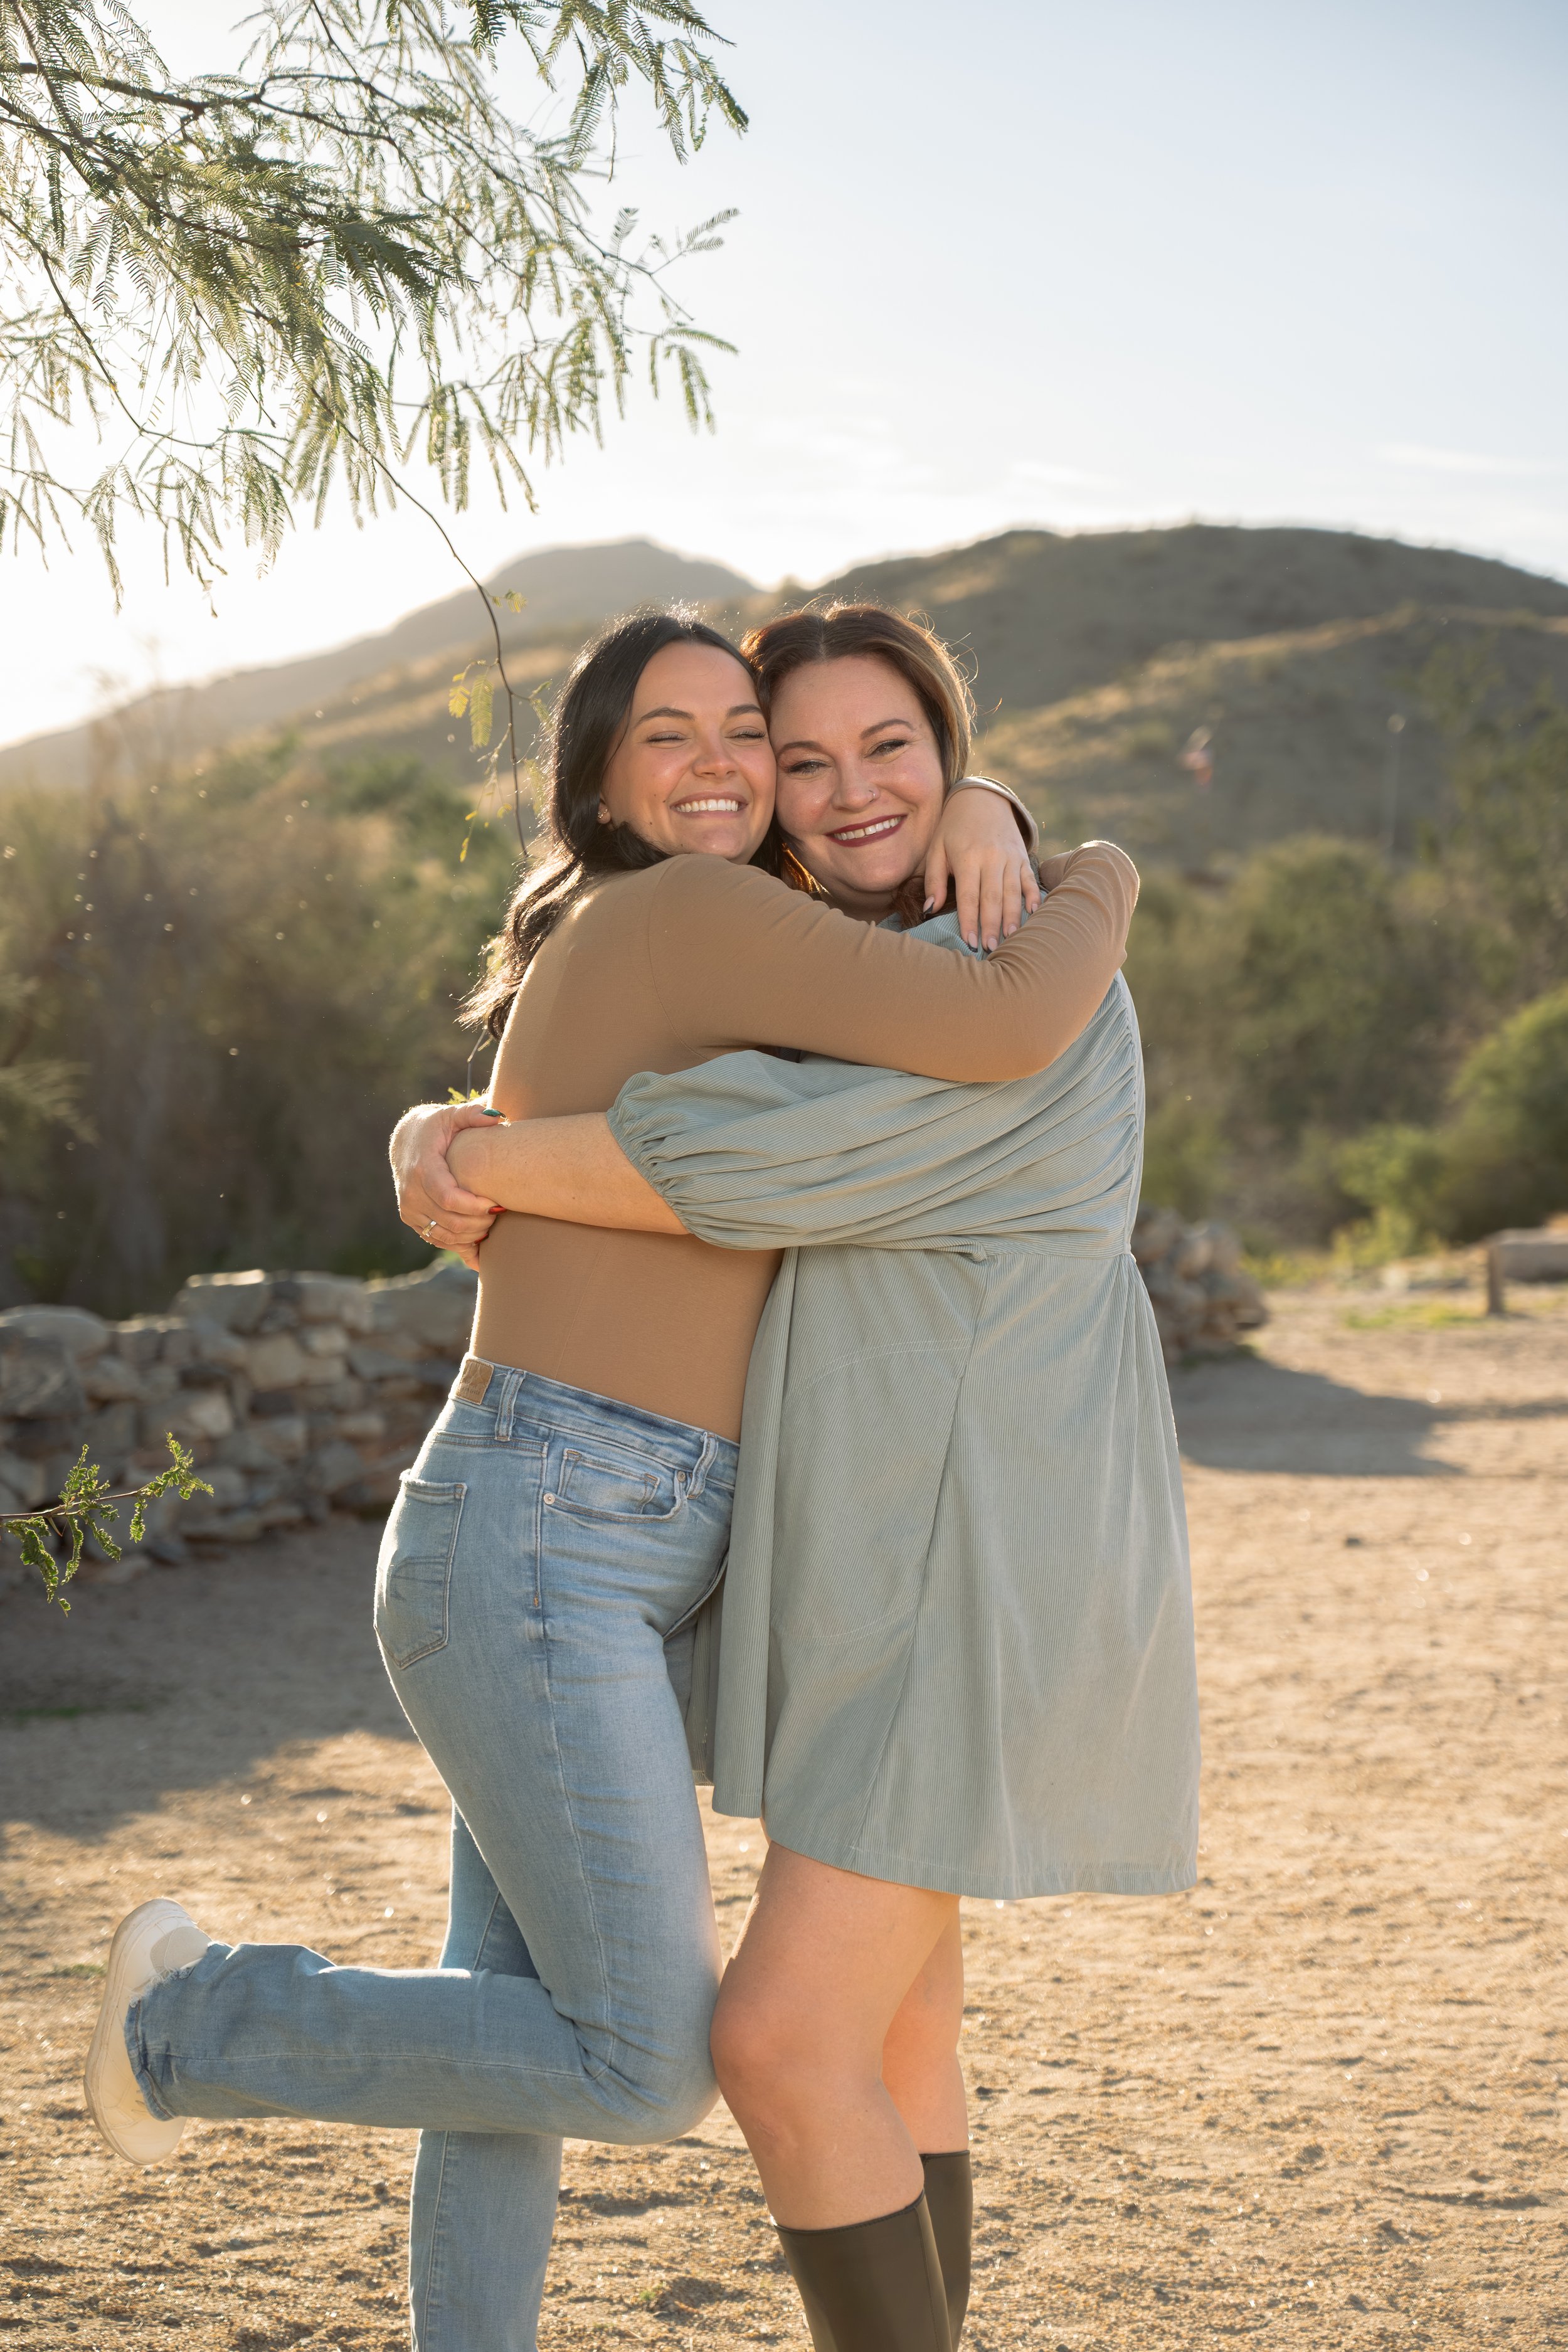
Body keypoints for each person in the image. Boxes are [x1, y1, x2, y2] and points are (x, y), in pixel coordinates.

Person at [84, 607, 1133, 2352]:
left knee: (505, 2019)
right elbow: (1015, 1010)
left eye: (755, 733)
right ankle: (184, 2025)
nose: (727, 762)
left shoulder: (733, 930)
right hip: (550, 1526)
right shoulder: (696, 909)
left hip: (603, 1539)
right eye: (677, 734)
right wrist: (1084, 852)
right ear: (600, 777)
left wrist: (990, 804)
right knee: (642, 2058)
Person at [393, 606, 1197, 2350]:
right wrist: (445, 1125)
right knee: (899, 2035)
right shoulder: (865, 992)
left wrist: (471, 1153)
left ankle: (197, 2030)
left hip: (966, 1564)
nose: (838, 794)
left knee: (768, 2039)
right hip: (879, 1559)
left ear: (952, 748)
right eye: (802, 757)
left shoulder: (1035, 1001)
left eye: (889, 751)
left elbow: (741, 1173)